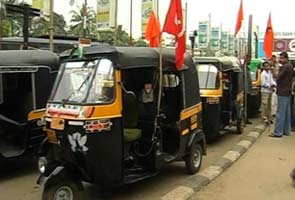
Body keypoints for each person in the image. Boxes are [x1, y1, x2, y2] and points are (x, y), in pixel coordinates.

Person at [269, 52, 294, 137]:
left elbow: (277, 77)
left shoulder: (285, 66)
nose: (280, 59)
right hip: (288, 91)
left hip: (282, 91)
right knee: (287, 112)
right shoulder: (290, 66)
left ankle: (278, 132)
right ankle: (286, 130)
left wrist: (272, 69)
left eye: (282, 58)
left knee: (280, 112)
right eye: (280, 58)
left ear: (286, 58)